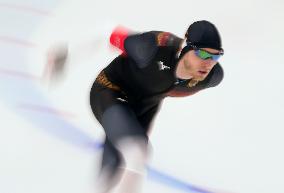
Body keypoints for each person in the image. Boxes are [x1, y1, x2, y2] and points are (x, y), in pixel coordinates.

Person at [89, 20, 224, 193]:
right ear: (187, 48)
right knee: (136, 152)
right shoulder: (153, 48)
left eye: (216, 56)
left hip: (144, 106)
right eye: (204, 54)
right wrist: (68, 54)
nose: (209, 63)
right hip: (111, 90)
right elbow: (108, 32)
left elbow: (171, 86)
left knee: (113, 168)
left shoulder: (212, 76)